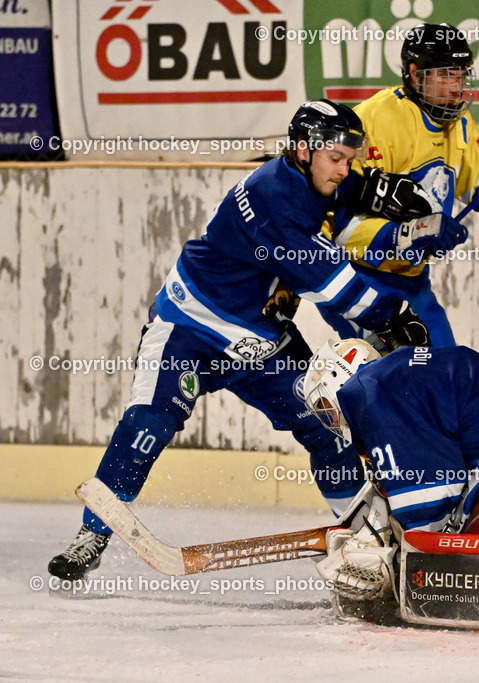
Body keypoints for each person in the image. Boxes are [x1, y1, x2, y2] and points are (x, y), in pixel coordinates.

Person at [48, 100, 444, 581]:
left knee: (328, 427)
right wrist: (395, 315)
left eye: (350, 159)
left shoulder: (308, 175)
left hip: (261, 342)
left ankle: (361, 535)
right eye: (338, 159)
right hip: (190, 329)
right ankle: (93, 535)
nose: (345, 169)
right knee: (150, 422)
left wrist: (374, 189)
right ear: (304, 149)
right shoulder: (272, 199)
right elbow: (333, 285)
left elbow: (337, 192)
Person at [332, 23, 479, 346]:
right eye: (446, 74)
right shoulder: (374, 119)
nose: (457, 86)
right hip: (358, 281)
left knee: (448, 379)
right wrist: (410, 235)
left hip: (414, 284)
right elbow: (336, 223)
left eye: (461, 74)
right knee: (404, 384)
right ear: (416, 75)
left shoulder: (460, 122)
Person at [300, 338, 479, 600]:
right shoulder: (398, 377)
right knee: (471, 571)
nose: (333, 420)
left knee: (461, 575)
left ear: (340, 379)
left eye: (325, 408)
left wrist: (392, 564)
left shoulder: (372, 392)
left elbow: (428, 516)